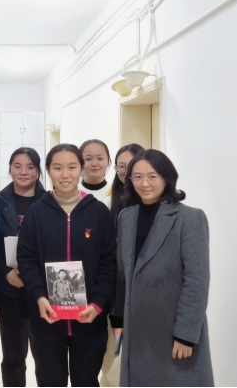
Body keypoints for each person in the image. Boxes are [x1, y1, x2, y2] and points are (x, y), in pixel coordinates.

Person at [111, 149, 213, 386]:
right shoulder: (127, 217)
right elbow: (123, 274)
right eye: (137, 177)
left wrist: (186, 335)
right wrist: (118, 319)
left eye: (152, 176)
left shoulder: (190, 218)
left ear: (167, 178)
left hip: (172, 329)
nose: (144, 183)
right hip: (137, 329)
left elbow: (197, 281)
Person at [17, 143, 116, 387]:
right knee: (50, 380)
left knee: (86, 381)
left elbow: (109, 263)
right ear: (47, 171)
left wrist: (97, 303)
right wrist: (39, 297)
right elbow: (26, 260)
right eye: (57, 168)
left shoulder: (99, 212)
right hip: (47, 318)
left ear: (81, 169)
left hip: (89, 318)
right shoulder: (36, 213)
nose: (65, 174)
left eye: (72, 167)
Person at [0, 147, 45, 387]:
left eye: (30, 167)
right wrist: (5, 273)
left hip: (41, 290)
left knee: (45, 355)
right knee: (13, 356)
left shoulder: (50, 201)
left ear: (38, 171)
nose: (23, 171)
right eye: (18, 166)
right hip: (8, 290)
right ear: (10, 169)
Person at [100, 143, 144, 387]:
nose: (126, 173)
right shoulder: (110, 205)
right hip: (117, 299)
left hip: (150, 300)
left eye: (132, 166)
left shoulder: (160, 208)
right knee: (114, 359)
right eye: (121, 167)